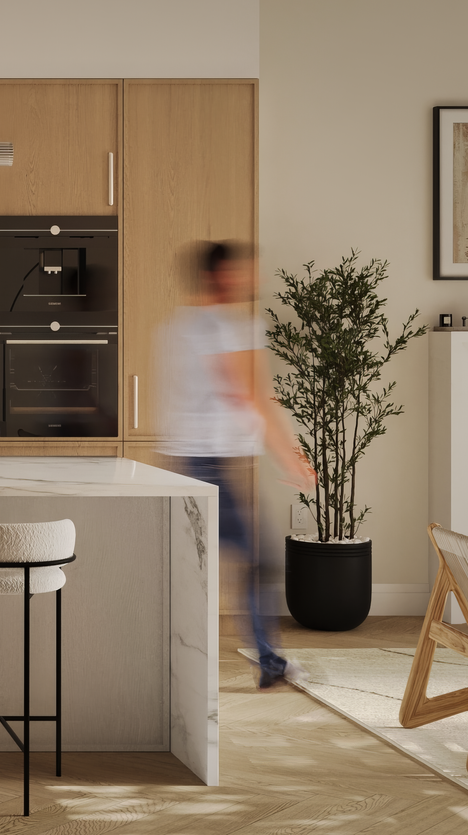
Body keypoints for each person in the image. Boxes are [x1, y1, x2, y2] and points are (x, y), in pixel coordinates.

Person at [158, 241, 316, 689]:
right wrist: (291, 458)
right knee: (255, 560)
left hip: (188, 459)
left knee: (207, 565)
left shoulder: (180, 325)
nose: (253, 280)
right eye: (245, 272)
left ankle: (251, 661)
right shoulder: (226, 327)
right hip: (207, 463)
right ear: (222, 275)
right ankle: (268, 662)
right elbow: (252, 396)